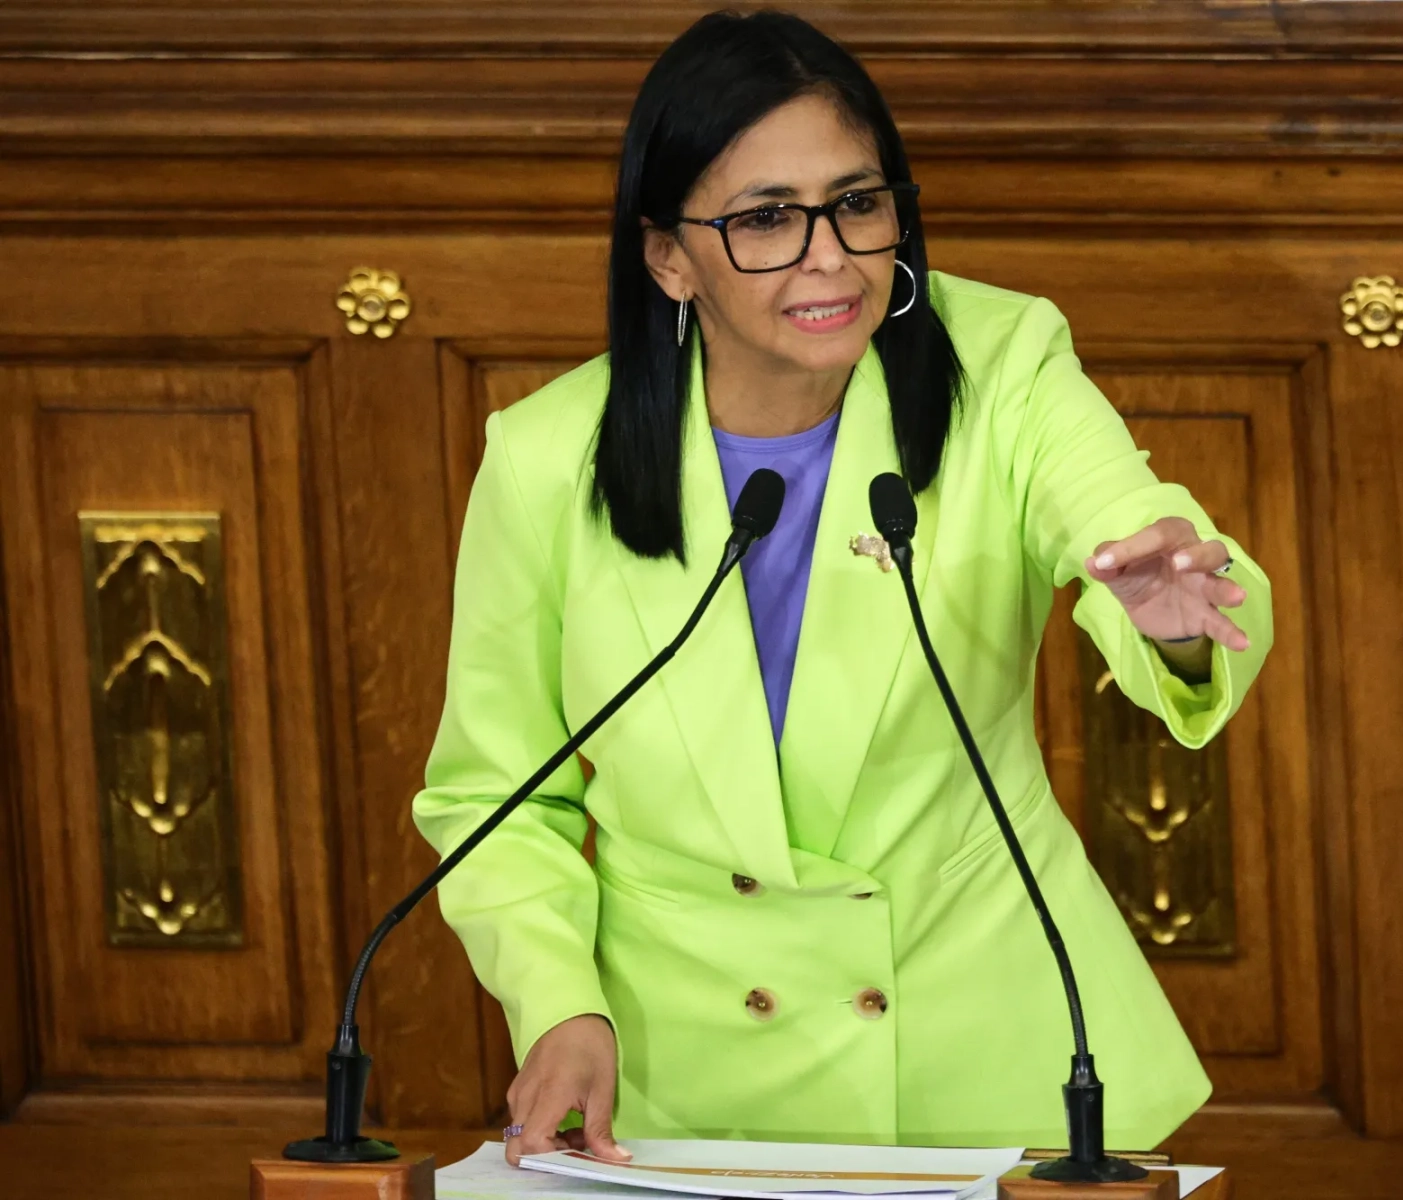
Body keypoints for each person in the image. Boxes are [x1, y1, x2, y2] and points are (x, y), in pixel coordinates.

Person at [413, 8, 1271, 1167]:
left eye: (858, 205)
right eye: (767, 218)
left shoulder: (1005, 364)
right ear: (668, 255)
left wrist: (1168, 619)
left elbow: (1136, 539)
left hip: (986, 1069)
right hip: (684, 1086)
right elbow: (496, 797)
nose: (829, 256)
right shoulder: (545, 456)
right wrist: (559, 1000)